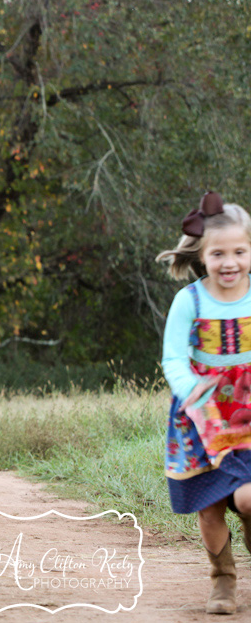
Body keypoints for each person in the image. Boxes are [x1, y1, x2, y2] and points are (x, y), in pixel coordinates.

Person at [157, 191, 251, 615]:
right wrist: (187, 387)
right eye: (219, 253)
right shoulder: (189, 301)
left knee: (248, 499)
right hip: (202, 415)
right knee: (209, 507)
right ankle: (223, 581)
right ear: (202, 255)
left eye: (239, 251)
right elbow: (174, 356)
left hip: (248, 414)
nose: (229, 262)